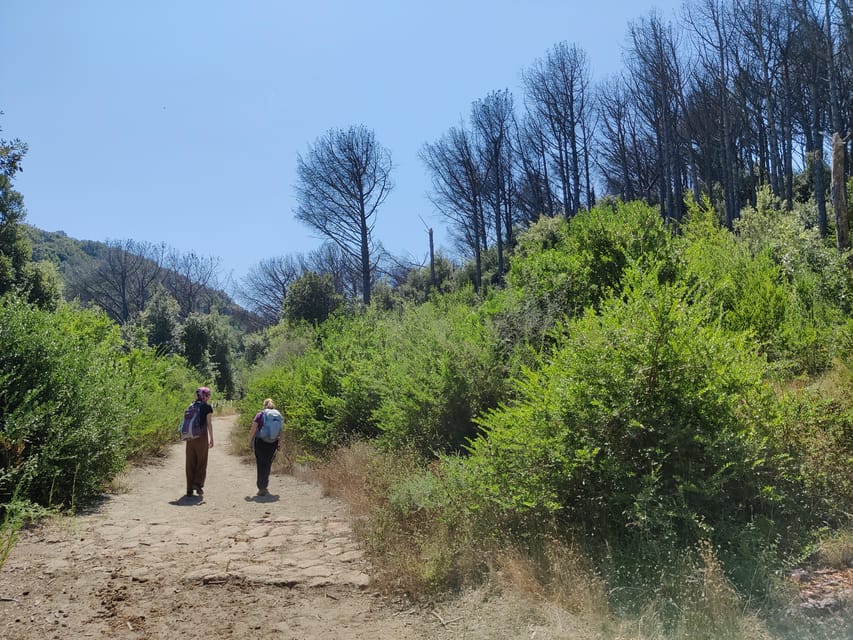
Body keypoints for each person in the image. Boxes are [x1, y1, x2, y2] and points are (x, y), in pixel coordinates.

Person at [247, 398, 281, 496]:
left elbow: (253, 429)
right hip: (273, 442)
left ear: (264, 405)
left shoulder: (260, 415)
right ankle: (265, 485)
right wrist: (280, 443)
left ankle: (261, 487)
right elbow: (281, 430)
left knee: (260, 464)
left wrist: (249, 441)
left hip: (261, 442)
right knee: (267, 464)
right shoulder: (278, 415)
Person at [185, 386, 214, 497]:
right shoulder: (207, 407)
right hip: (201, 437)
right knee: (201, 462)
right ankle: (197, 484)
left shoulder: (191, 406)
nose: (209, 397)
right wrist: (211, 438)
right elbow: (209, 424)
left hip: (190, 438)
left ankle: (189, 488)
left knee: (190, 463)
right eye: (208, 394)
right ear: (205, 396)